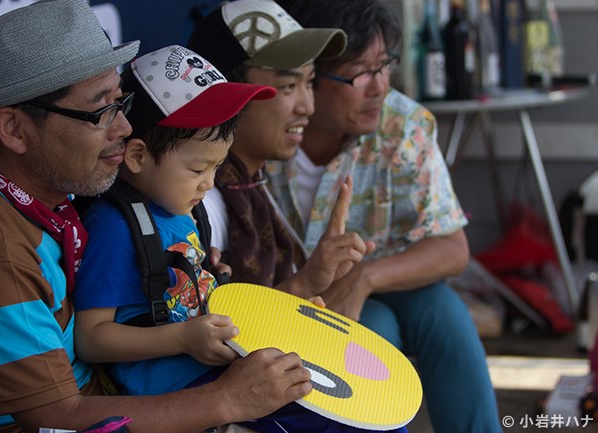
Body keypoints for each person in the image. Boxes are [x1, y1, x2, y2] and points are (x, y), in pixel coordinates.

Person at [0, 1, 314, 432]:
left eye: (120, 101)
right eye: (99, 111)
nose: (123, 128)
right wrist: (229, 399)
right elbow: (58, 418)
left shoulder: (12, 183)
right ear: (13, 129)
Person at [191, 0, 502, 432]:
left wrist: (365, 277)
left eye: (385, 66)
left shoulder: (401, 124)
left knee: (444, 313)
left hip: (385, 285)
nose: (380, 87)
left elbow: (452, 247)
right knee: (373, 333)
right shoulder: (242, 152)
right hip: (307, 305)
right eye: (360, 73)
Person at [73, 43, 407, 433]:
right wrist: (182, 338)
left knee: (368, 414)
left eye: (217, 166)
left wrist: (290, 314)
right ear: (137, 156)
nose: (209, 183)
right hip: (180, 390)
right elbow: (90, 338)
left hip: (221, 368)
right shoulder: (115, 226)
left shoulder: (184, 212)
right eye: (198, 168)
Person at [187, 0, 375, 300]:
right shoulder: (197, 202)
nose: (307, 107)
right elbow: (212, 325)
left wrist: (317, 281)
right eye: (288, 86)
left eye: (309, 82)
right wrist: (304, 283)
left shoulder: (251, 182)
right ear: (227, 93)